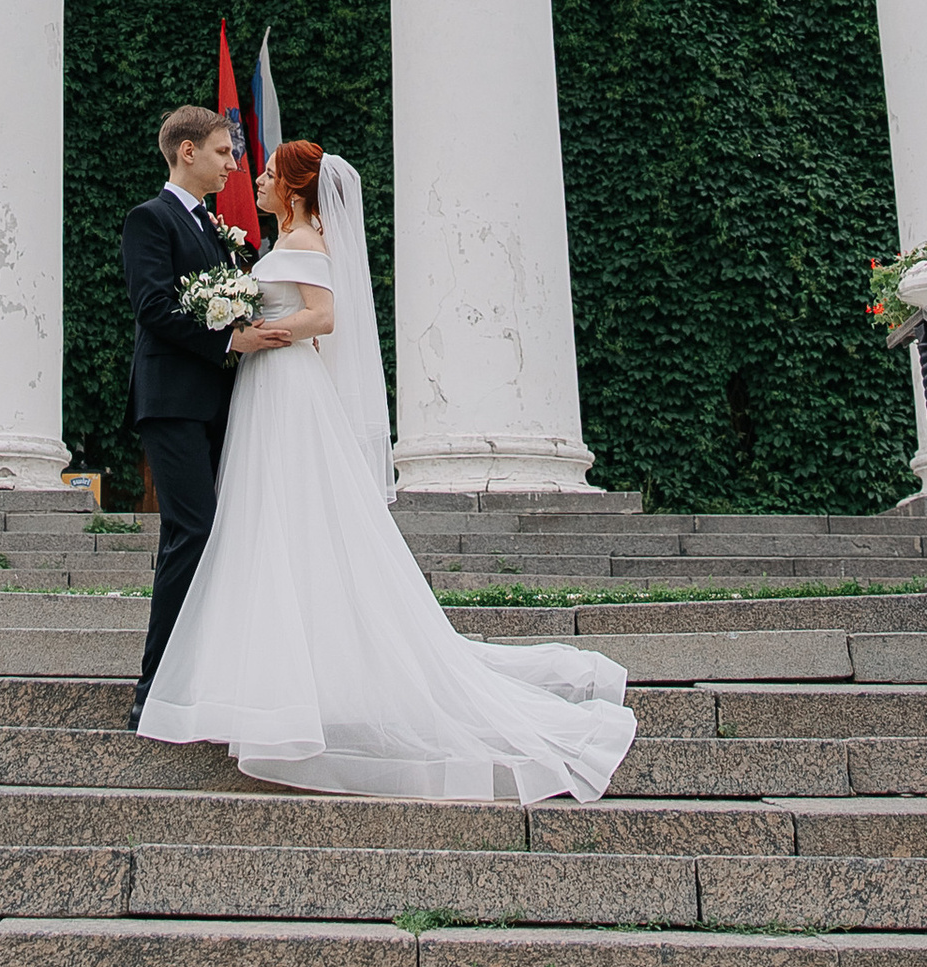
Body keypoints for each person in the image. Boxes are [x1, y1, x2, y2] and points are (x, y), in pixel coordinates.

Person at [136, 137, 638, 802]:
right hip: (266, 386)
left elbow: (326, 316)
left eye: (265, 173)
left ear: (293, 187)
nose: (253, 180)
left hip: (284, 384)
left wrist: (265, 331)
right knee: (264, 521)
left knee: (284, 516)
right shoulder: (283, 239)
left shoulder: (307, 242)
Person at [122, 104, 271, 727]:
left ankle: (192, 676)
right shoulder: (149, 220)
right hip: (171, 402)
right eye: (222, 152)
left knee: (198, 535)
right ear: (187, 152)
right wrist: (227, 341)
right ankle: (153, 690)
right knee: (195, 530)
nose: (233, 164)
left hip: (215, 402)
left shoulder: (215, 228)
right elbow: (153, 307)